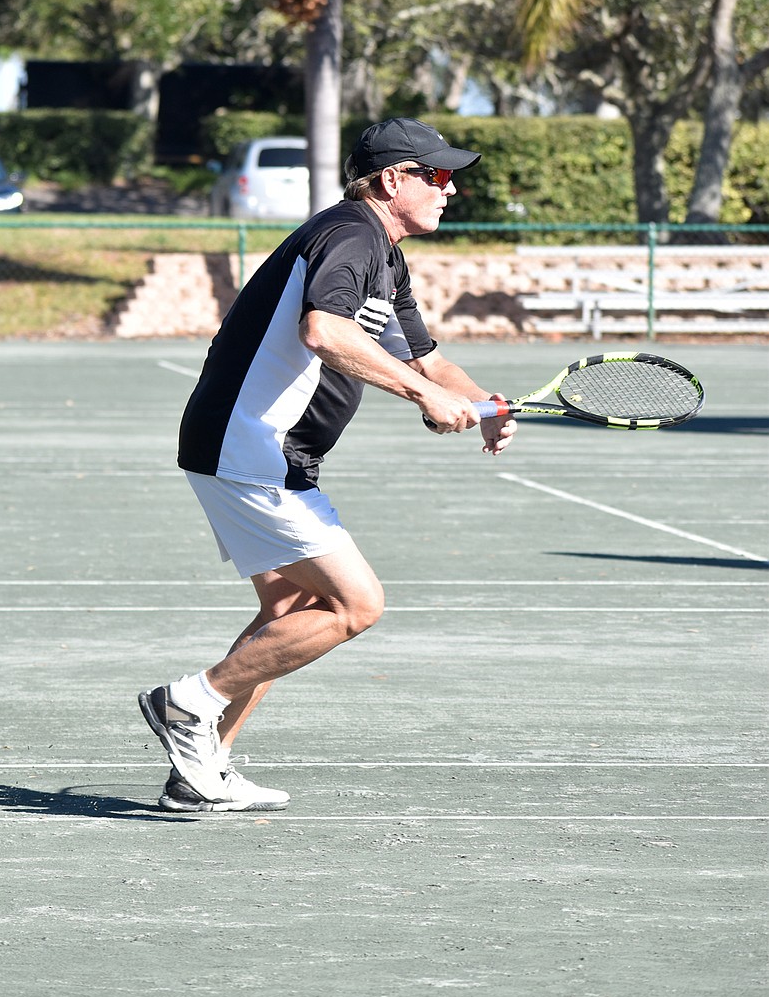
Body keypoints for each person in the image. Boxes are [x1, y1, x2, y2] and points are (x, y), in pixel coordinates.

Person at [139, 118, 517, 812]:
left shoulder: (386, 255)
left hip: (254, 447)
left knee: (288, 611)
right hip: (250, 446)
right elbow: (325, 330)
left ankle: (201, 773)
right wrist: (426, 397)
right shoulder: (350, 234)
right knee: (355, 604)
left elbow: (427, 360)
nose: (451, 188)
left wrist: (478, 403)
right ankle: (187, 703)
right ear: (392, 180)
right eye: (436, 175)